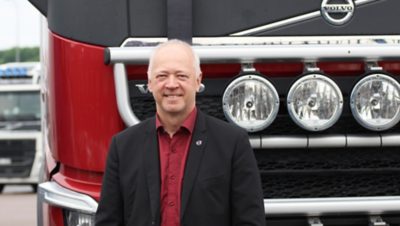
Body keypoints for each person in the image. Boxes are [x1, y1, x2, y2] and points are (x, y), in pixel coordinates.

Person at [95, 39, 265, 226]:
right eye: (162, 76)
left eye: (181, 76)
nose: (171, 84)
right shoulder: (123, 146)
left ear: (198, 81)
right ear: (150, 83)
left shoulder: (232, 144)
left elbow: (250, 221)